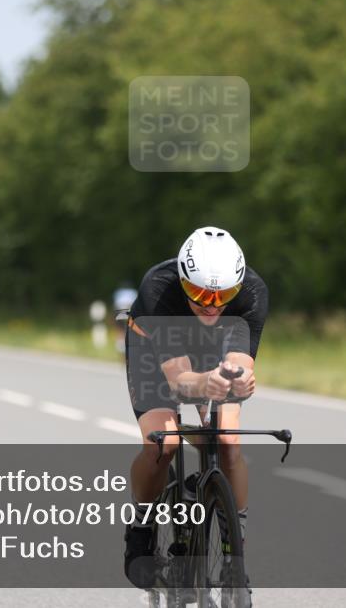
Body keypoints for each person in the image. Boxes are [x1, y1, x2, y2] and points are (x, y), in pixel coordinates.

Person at [122, 226, 268, 588]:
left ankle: (236, 551)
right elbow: (179, 381)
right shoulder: (158, 287)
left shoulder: (252, 292)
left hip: (211, 347)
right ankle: (141, 526)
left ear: (237, 286)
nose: (211, 304)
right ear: (184, 281)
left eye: (223, 295)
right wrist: (205, 383)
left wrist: (240, 380)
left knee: (228, 442)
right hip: (156, 349)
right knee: (164, 443)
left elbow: (238, 360)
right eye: (200, 292)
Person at [112, 282, 138, 354]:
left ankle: (120, 345)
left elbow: (115, 304)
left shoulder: (118, 292)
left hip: (119, 310)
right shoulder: (133, 292)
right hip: (129, 309)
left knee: (120, 328)